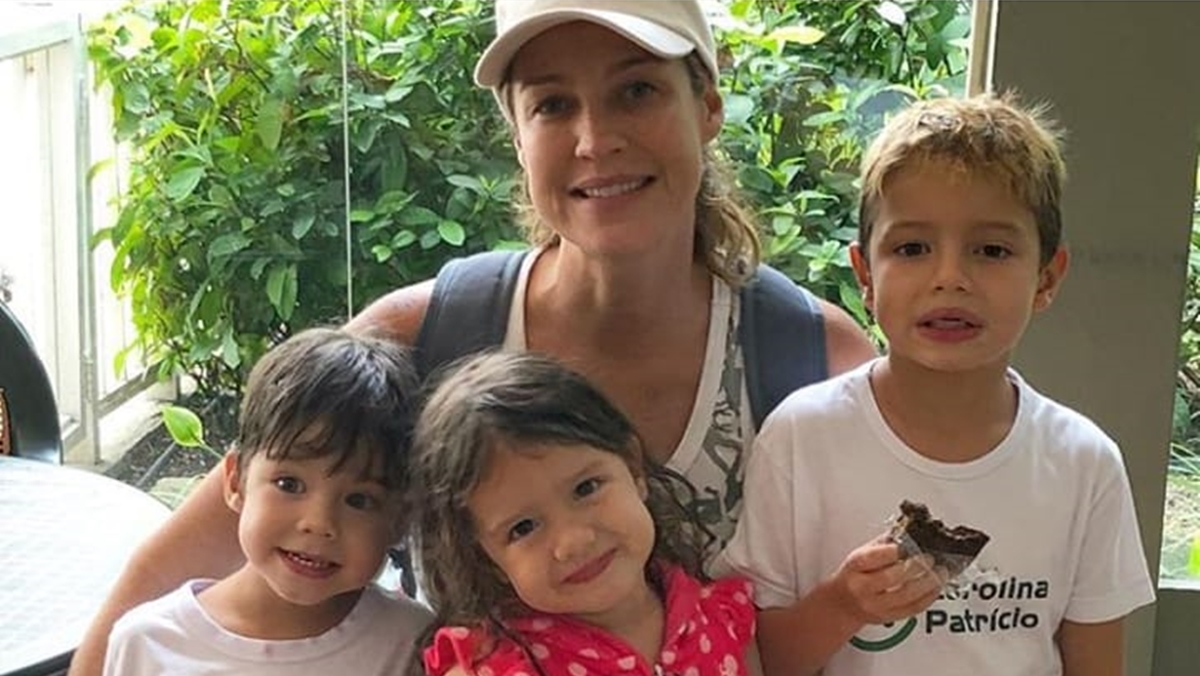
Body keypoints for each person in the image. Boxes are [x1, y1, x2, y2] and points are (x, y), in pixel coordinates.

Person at [68, 2, 875, 674]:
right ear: (516, 136)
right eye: (552, 105)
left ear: (707, 106)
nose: (595, 138)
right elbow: (188, 570)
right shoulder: (423, 339)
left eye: (636, 91)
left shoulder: (813, 362)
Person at [720, 93, 1157, 676]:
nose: (950, 278)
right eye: (912, 248)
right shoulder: (802, 438)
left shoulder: (1083, 463)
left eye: (992, 250)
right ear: (865, 274)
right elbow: (753, 659)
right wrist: (844, 604)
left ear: (1047, 278)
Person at [102, 328, 431, 675]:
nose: (319, 523)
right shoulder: (149, 644)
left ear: (401, 519)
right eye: (290, 484)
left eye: (359, 500)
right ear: (235, 481)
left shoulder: (414, 644)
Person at [413, 351, 756, 676]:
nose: (573, 542)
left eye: (586, 488)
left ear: (634, 468)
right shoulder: (492, 667)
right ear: (486, 559)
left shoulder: (721, 618)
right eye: (523, 527)